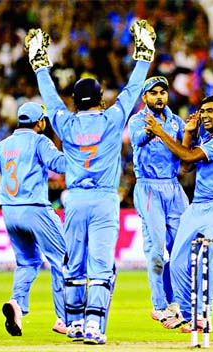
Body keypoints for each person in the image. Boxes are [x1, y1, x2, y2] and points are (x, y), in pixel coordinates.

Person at [24, 19, 156, 344]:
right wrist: (144, 55)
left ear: (74, 102)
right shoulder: (112, 119)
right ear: (99, 100)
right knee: (100, 268)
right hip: (104, 201)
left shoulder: (65, 123)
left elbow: (50, 98)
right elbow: (132, 90)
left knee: (74, 266)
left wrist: (39, 65)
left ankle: (74, 325)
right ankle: (95, 327)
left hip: (75, 201)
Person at [144, 95, 213, 330]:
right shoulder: (205, 137)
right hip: (197, 206)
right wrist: (188, 133)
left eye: (210, 111)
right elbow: (185, 168)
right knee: (177, 262)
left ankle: (205, 314)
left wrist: (160, 132)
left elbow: (188, 156)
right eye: (202, 111)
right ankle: (189, 314)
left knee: (206, 260)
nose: (205, 115)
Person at [0, 102, 67, 337]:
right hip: (35, 209)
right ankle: (65, 319)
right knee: (62, 261)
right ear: (40, 122)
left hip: (10, 212)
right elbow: (60, 164)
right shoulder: (40, 141)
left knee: (27, 263)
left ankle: (17, 304)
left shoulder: (2, 146)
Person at [128, 75, 189, 325]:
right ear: (145, 98)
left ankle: (177, 303)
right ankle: (159, 305)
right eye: (153, 93)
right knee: (156, 250)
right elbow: (137, 140)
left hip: (174, 188)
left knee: (181, 249)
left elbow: (187, 150)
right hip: (149, 187)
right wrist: (152, 131)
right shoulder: (136, 121)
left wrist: (192, 134)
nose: (159, 96)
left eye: (162, 92)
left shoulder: (175, 122)